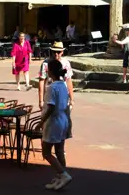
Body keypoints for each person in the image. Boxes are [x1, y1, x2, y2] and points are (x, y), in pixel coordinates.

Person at [40, 58, 73, 191]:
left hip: (53, 122)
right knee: (59, 150)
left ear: (50, 72)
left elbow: (51, 107)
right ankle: (59, 176)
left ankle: (63, 174)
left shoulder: (52, 87)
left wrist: (41, 122)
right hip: (63, 120)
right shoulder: (63, 86)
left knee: (46, 152)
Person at [38, 42, 74, 113]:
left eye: (59, 52)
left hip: (63, 95)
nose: (56, 54)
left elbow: (69, 80)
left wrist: (72, 99)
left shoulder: (66, 63)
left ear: (62, 52)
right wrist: (41, 100)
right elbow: (41, 81)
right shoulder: (45, 63)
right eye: (54, 52)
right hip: (49, 95)